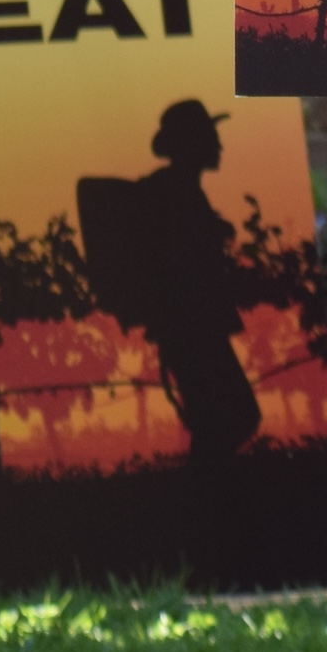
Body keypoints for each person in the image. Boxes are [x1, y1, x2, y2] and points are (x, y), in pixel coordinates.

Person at [81, 99, 265, 459]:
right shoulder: (174, 192)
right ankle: (205, 495)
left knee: (217, 420)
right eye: (210, 137)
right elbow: (180, 263)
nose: (218, 145)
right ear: (191, 143)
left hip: (190, 328)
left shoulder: (175, 190)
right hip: (192, 328)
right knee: (234, 417)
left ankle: (205, 496)